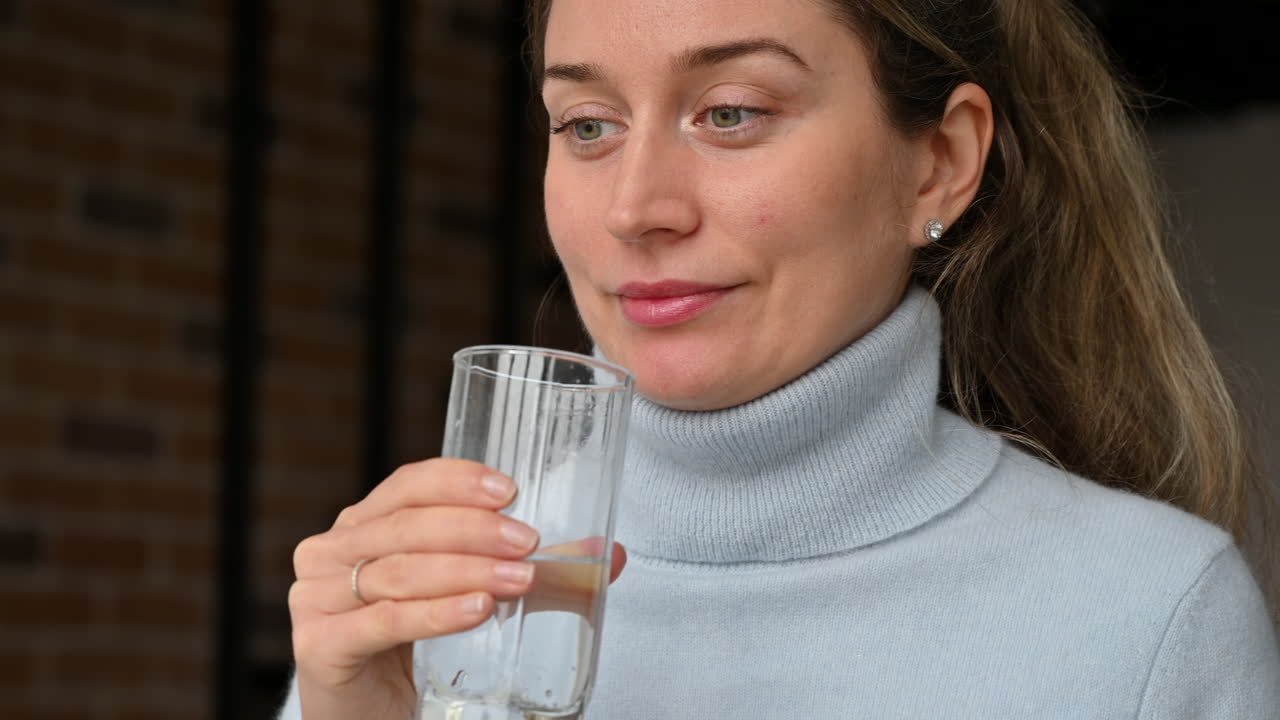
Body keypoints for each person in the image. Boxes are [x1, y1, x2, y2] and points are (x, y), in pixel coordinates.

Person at [278, 0, 1280, 717]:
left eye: (730, 112)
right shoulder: (431, 600)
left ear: (939, 162)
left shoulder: (1148, 613)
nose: (635, 208)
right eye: (586, 125)